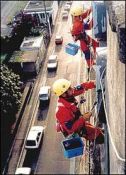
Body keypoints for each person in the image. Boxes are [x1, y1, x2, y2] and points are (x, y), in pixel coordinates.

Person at [52, 79, 104, 144]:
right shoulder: (61, 111)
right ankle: (98, 139)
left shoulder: (68, 96)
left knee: (96, 130)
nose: (72, 89)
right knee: (99, 136)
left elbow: (81, 87)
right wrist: (83, 118)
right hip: (76, 129)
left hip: (79, 121)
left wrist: (93, 83)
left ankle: (98, 132)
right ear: (63, 94)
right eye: (69, 88)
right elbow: (71, 129)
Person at [70, 6, 99, 74]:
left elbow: (85, 14)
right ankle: (90, 66)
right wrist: (95, 17)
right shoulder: (77, 24)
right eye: (80, 14)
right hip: (82, 40)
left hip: (84, 36)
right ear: (77, 16)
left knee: (95, 44)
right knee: (87, 53)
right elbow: (89, 26)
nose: (81, 15)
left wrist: (90, 9)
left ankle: (96, 57)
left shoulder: (78, 18)